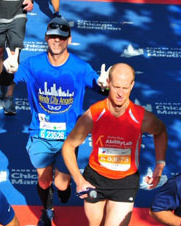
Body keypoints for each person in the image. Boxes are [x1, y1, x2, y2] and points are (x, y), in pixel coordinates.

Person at [9, 15, 109, 226]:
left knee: (62, 185)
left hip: (68, 137)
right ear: (46, 38)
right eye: (53, 36)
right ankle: (47, 211)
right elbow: (7, 82)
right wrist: (7, 72)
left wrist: (104, 85)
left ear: (69, 40)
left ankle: (65, 188)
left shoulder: (80, 67)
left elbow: (100, 87)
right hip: (40, 134)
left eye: (62, 37)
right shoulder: (32, 64)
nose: (57, 41)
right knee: (44, 180)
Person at [61, 63, 168, 226]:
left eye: (125, 88)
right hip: (95, 178)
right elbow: (68, 146)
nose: (120, 93)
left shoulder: (142, 118)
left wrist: (159, 165)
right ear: (108, 83)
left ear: (132, 85)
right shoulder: (94, 114)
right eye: (116, 86)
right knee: (94, 223)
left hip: (125, 182)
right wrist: (79, 180)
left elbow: (160, 132)